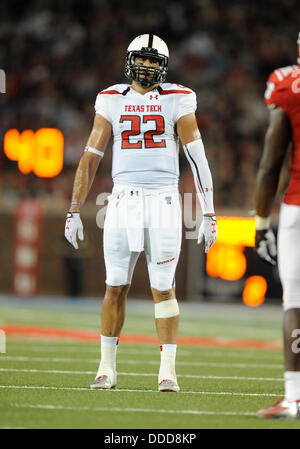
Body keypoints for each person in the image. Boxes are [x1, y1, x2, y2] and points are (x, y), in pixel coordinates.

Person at [64, 34, 217, 392]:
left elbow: (197, 158)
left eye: (153, 60)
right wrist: (73, 209)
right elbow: (90, 156)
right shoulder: (111, 98)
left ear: (163, 65)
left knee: (163, 288)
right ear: (130, 59)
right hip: (122, 200)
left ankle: (167, 372)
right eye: (141, 58)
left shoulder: (179, 98)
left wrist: (209, 212)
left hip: (163, 199)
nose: (146, 65)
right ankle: (106, 368)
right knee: (114, 285)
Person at [254, 32, 300, 418]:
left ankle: (294, 397)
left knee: (295, 303)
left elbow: (270, 164)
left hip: (297, 206)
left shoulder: (287, 84)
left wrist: (259, 221)